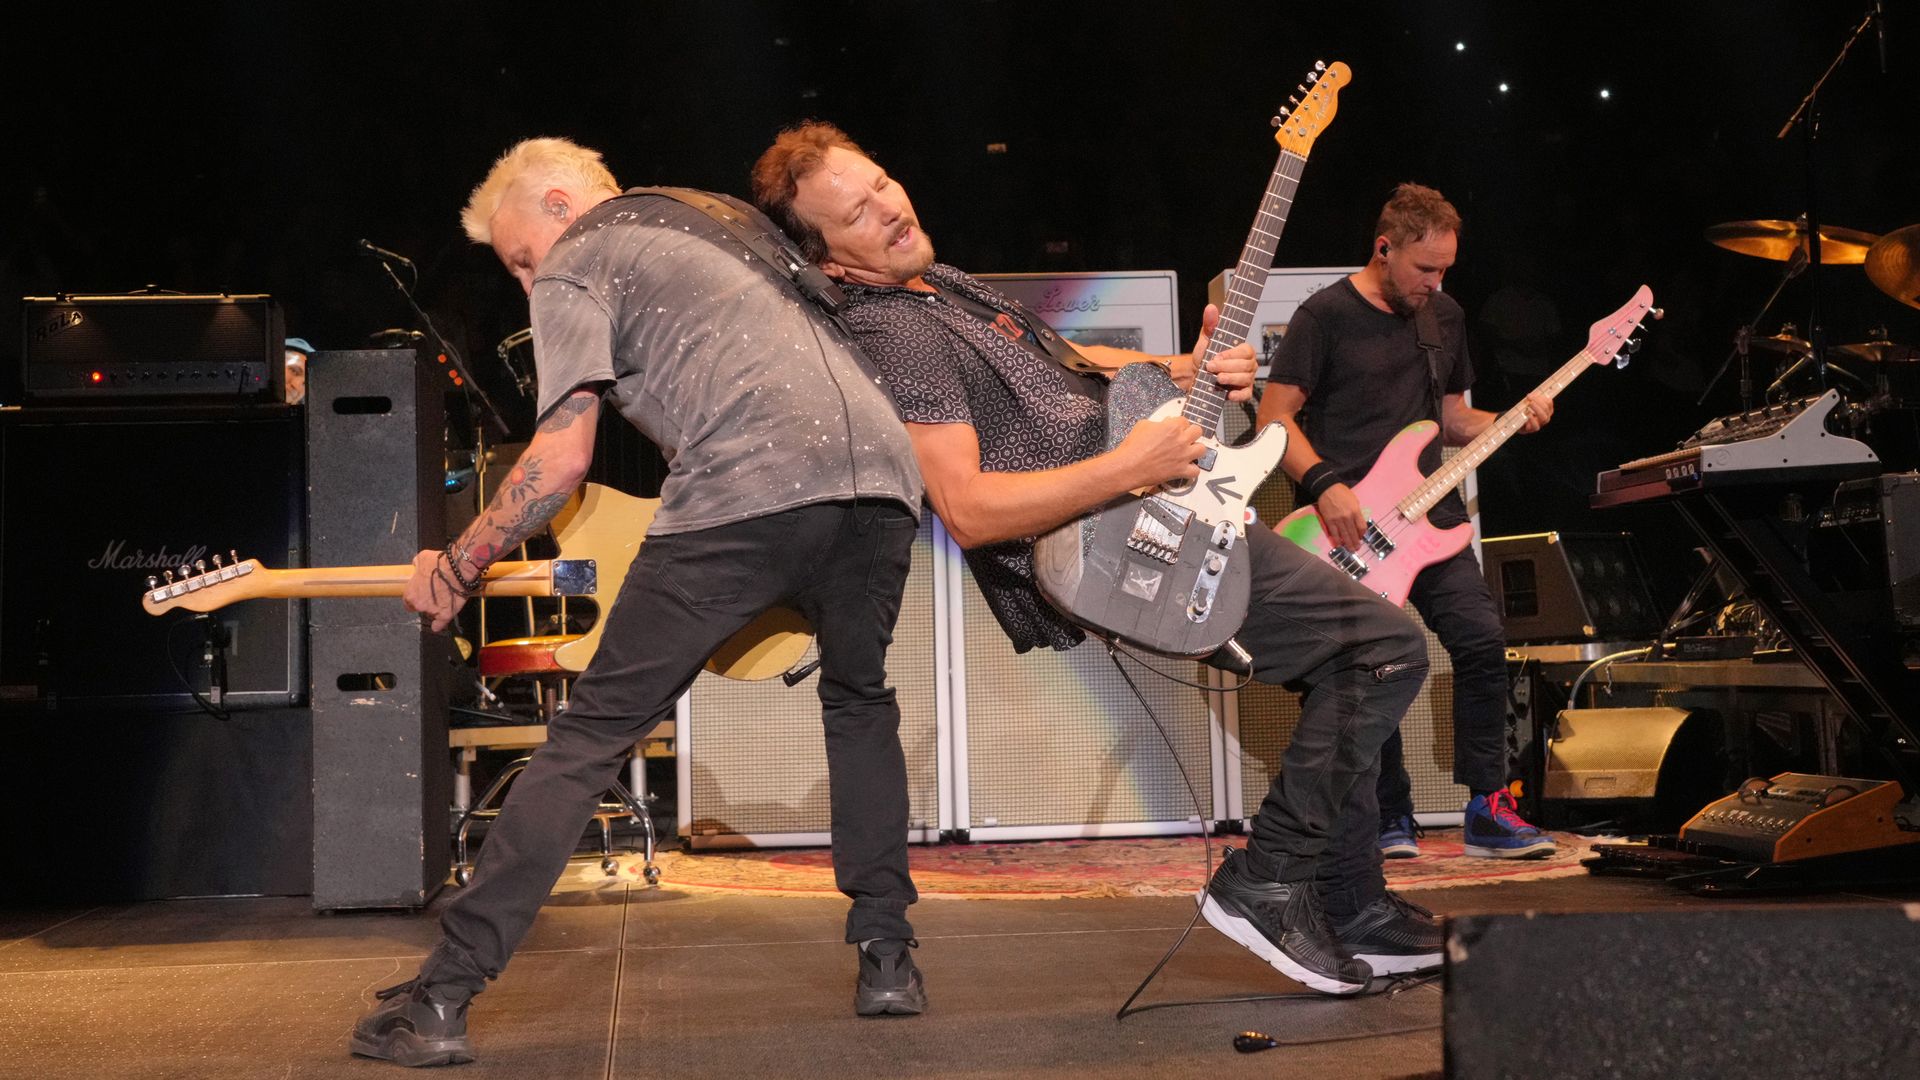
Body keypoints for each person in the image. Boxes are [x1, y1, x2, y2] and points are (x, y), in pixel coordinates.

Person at [754, 122, 1438, 997]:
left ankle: (1351, 901)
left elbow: (1076, 362)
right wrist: (1133, 466)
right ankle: (1270, 879)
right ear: (830, 260)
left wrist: (1190, 363)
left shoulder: (941, 285)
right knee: (1383, 648)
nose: (889, 208)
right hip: (1123, 541)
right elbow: (966, 509)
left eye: (881, 182)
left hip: (1157, 504)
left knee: (1347, 661)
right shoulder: (893, 334)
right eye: (857, 212)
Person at [351, 137, 929, 1068]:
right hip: (883, 489)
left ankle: (443, 996)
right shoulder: (720, 216)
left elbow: (561, 461)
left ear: (555, 203)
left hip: (745, 493)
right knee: (859, 702)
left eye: (518, 258)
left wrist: (458, 565)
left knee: (589, 737)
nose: (527, 278)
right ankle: (889, 958)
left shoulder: (580, 257)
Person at [1254, 183, 1558, 861]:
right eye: (1425, 269)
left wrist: (1512, 420)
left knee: (1482, 642)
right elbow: (1272, 417)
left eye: (1446, 268)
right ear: (1383, 249)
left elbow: (1449, 419)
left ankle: (1487, 806)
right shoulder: (1323, 315)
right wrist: (1326, 483)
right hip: (1349, 524)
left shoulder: (1443, 317)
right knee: (1375, 661)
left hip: (1432, 518)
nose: (1437, 282)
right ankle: (1389, 815)